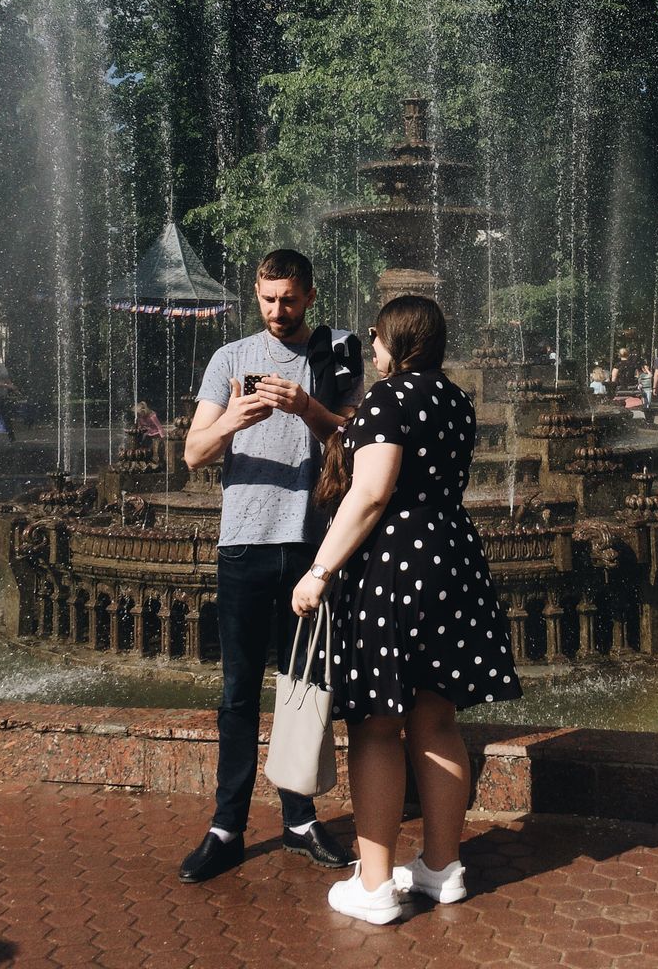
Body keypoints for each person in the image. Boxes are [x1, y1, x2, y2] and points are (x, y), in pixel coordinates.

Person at [290, 295, 521, 924]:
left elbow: (370, 493)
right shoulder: (456, 400)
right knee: (437, 718)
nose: (369, 343)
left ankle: (374, 885)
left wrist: (319, 570)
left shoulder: (389, 399)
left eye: (375, 334)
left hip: (396, 568)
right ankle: (443, 868)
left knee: (374, 724)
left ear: (397, 339)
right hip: (451, 560)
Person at [177, 249, 363, 885]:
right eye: (267, 299)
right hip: (245, 545)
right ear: (255, 296)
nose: (277, 311)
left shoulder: (338, 353)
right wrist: (233, 419)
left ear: (310, 296)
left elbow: (362, 440)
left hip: (312, 550)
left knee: (304, 686)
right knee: (237, 694)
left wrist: (307, 407)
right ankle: (226, 826)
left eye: (288, 299)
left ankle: (300, 818)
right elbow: (193, 455)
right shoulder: (230, 359)